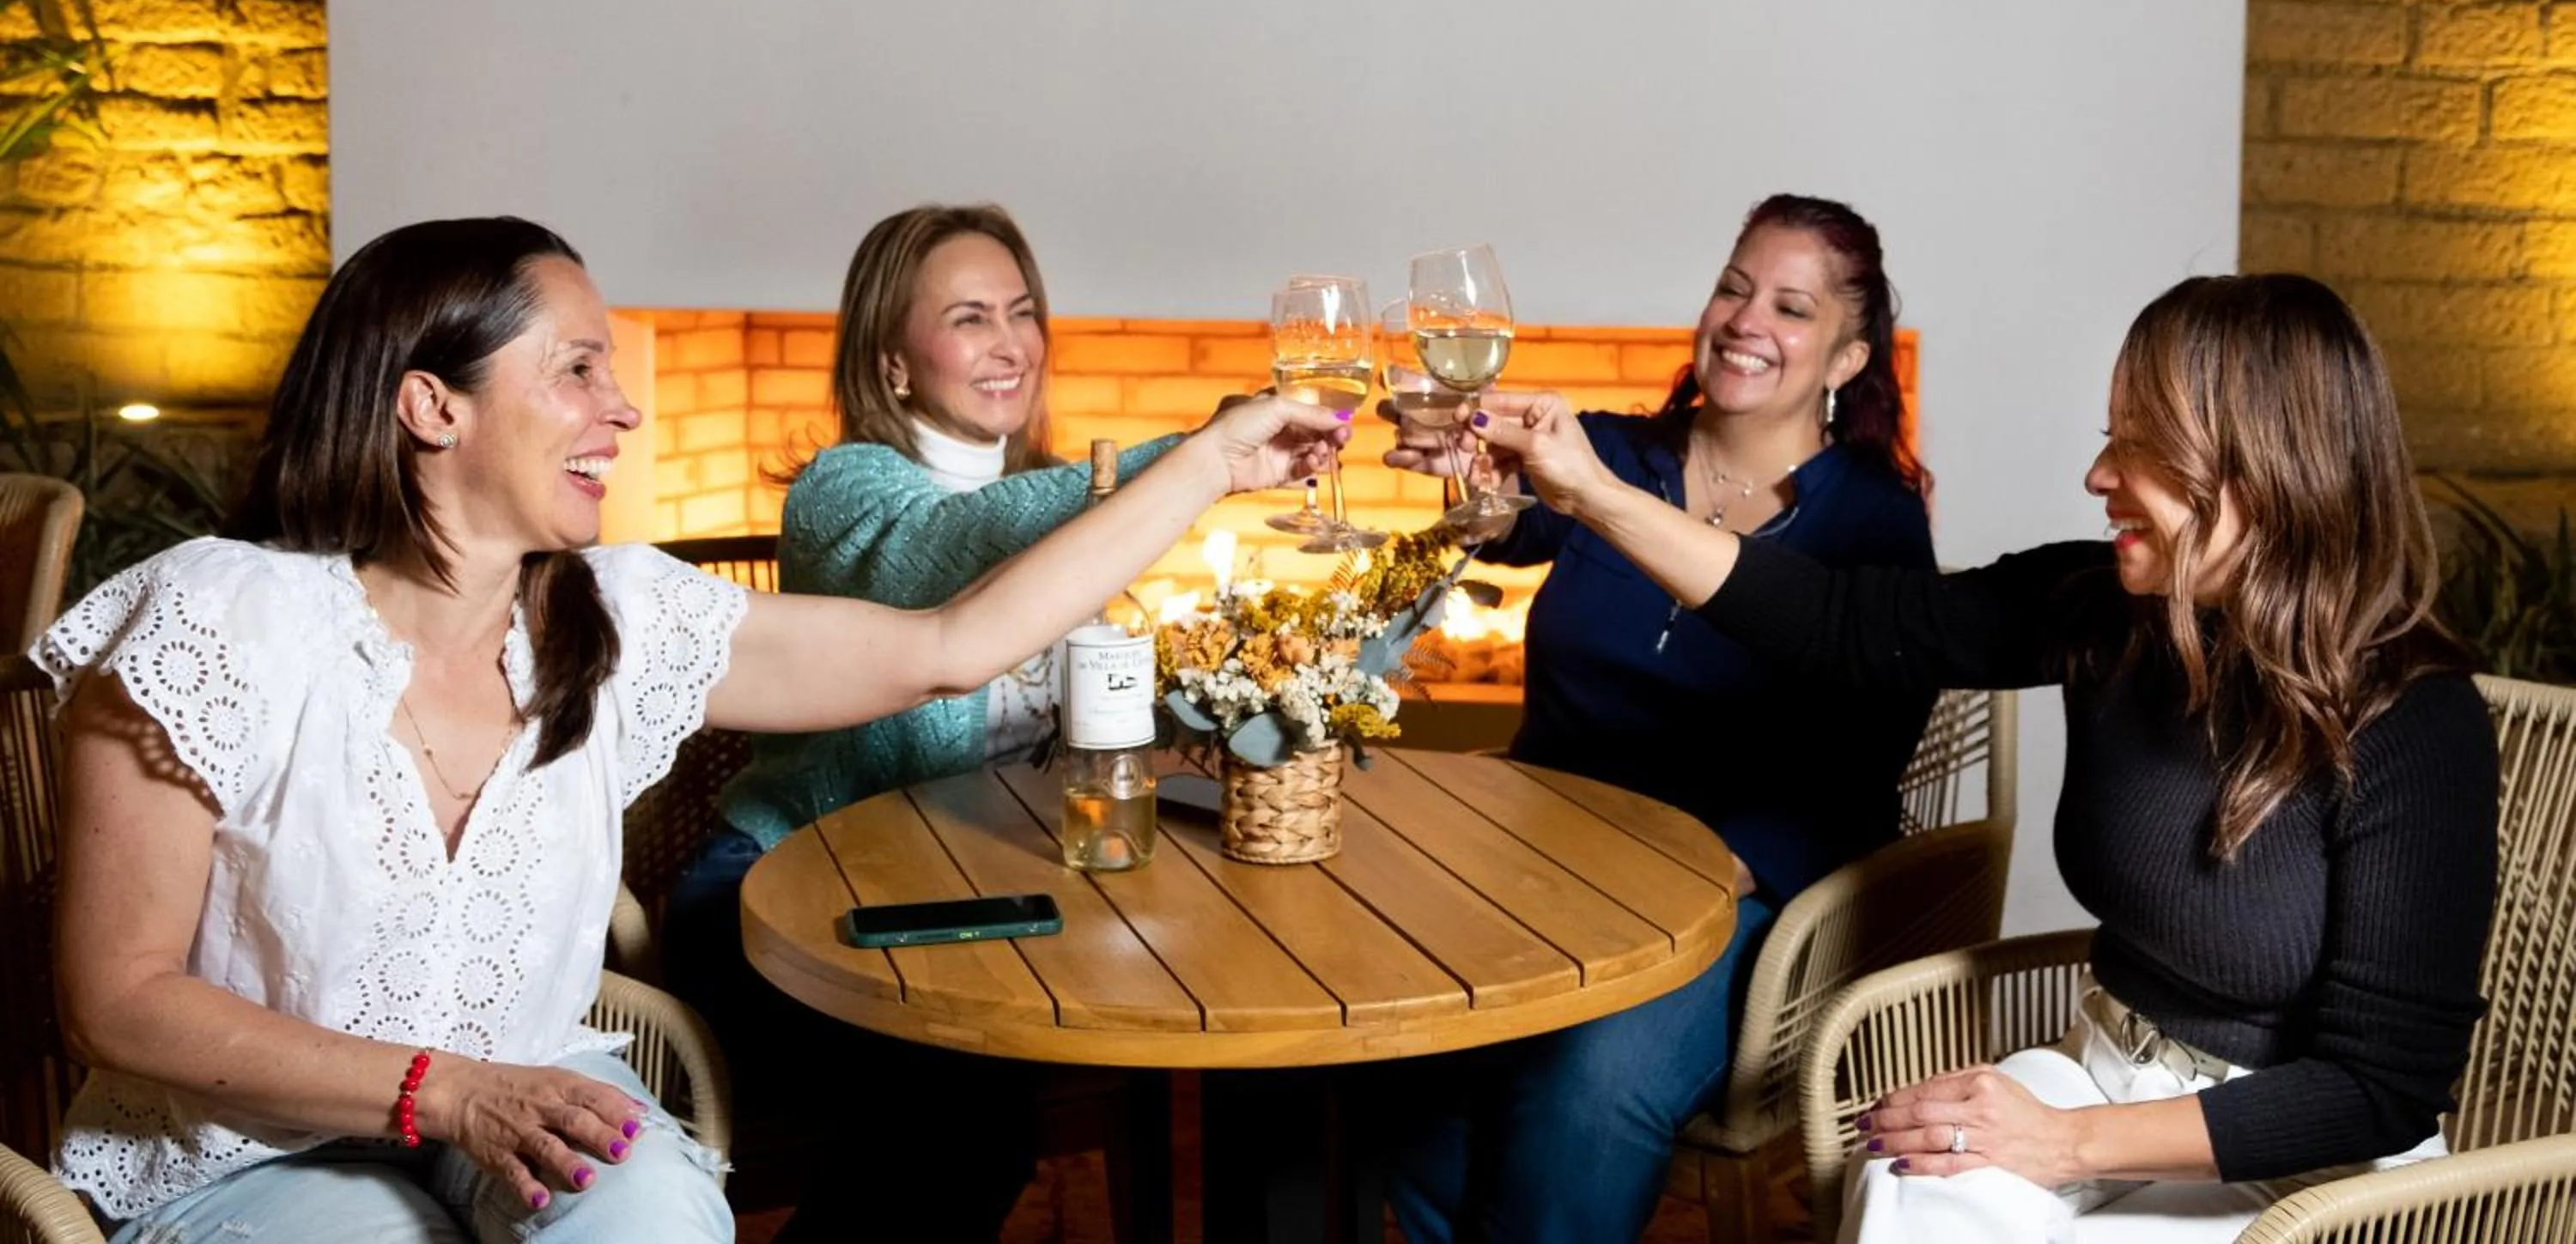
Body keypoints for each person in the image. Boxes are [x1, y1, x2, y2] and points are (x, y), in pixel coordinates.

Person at [36, 215, 1342, 1244]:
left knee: (656, 1212)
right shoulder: (219, 624)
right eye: (578, 368)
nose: (626, 406)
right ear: (433, 406)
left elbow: (949, 648)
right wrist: (449, 1092)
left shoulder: (613, 619)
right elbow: (118, 999)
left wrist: (1214, 462)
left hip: (530, 1104)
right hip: (255, 1149)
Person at [1467, 271, 2499, 1243]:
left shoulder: (2414, 719)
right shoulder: (2109, 613)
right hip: (2105, 1071)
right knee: (1917, 1183)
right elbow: (1835, 619)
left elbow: (2378, 1088)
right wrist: (1591, 494)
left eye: (2139, 447)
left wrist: (2062, 1143)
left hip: (2296, 1162)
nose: (2098, 475)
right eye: (2112, 437)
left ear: (2262, 471)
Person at [1382, 194, 1938, 1242]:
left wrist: (1705, 875)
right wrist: (1470, 475)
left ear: (1847, 357)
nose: (1744, 319)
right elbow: (1505, 522)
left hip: (1728, 894)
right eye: (1734, 286)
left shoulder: (1874, 522)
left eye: (1790, 306)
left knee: (1588, 1077)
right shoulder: (1615, 458)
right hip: (1543, 861)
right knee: (1413, 1044)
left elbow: (1860, 763)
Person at [659, 202, 1215, 1239]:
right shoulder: (848, 489)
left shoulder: (1046, 502)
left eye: (1021, 310)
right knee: (967, 1111)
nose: (1010, 343)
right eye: (969, 317)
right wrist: (1203, 455)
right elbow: (951, 549)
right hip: (786, 905)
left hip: (974, 898)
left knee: (1191, 1001)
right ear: (894, 363)